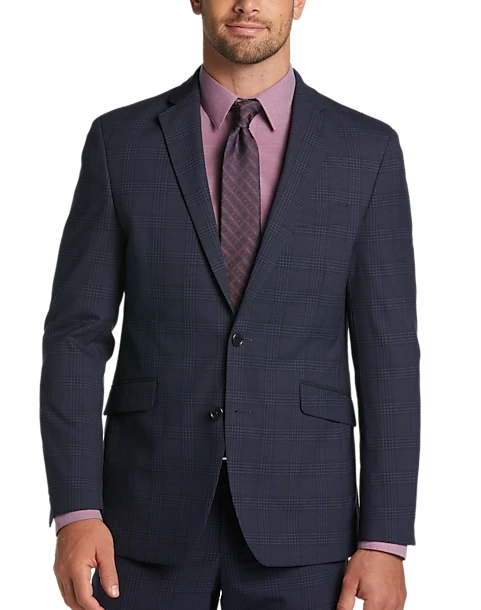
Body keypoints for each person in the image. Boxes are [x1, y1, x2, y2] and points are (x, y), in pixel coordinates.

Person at [40, 1, 420, 608]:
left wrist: (386, 540)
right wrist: (76, 511)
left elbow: (390, 358)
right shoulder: (121, 143)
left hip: (307, 521)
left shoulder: (365, 152)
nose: (246, 3)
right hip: (138, 521)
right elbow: (75, 337)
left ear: (300, 0)